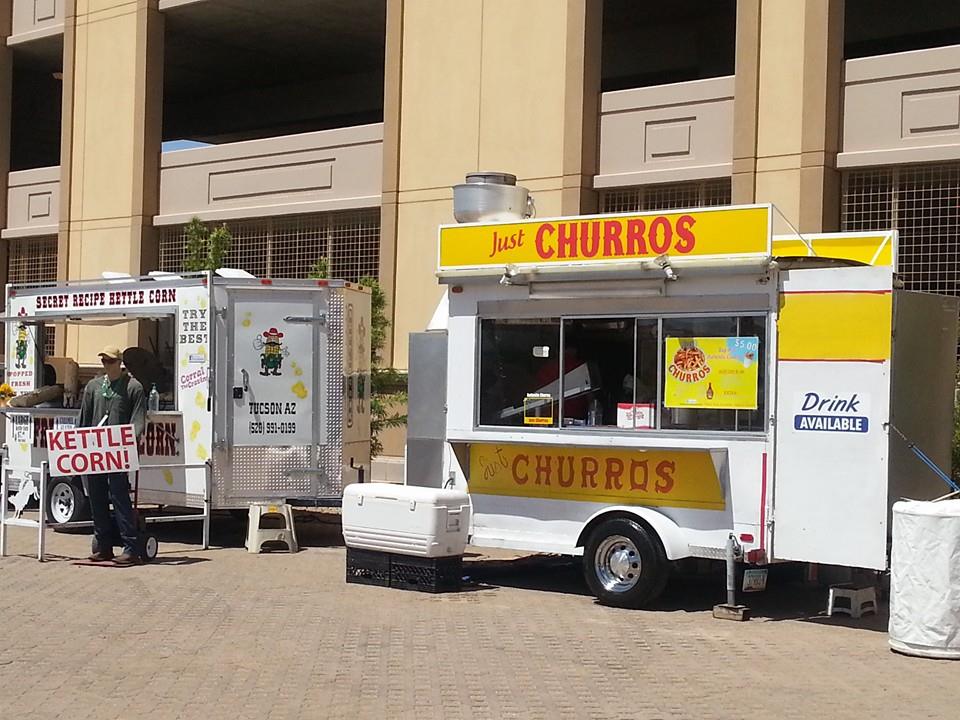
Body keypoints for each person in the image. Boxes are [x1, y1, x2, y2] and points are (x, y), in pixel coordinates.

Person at [78, 345, 147, 565]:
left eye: (110, 361)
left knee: (119, 496)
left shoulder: (133, 387)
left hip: (118, 453)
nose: (107, 365)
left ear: (119, 363)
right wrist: (79, 445)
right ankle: (103, 545)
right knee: (96, 496)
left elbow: (138, 420)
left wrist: (129, 442)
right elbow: (84, 419)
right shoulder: (94, 387)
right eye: (104, 361)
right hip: (96, 451)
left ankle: (130, 546)